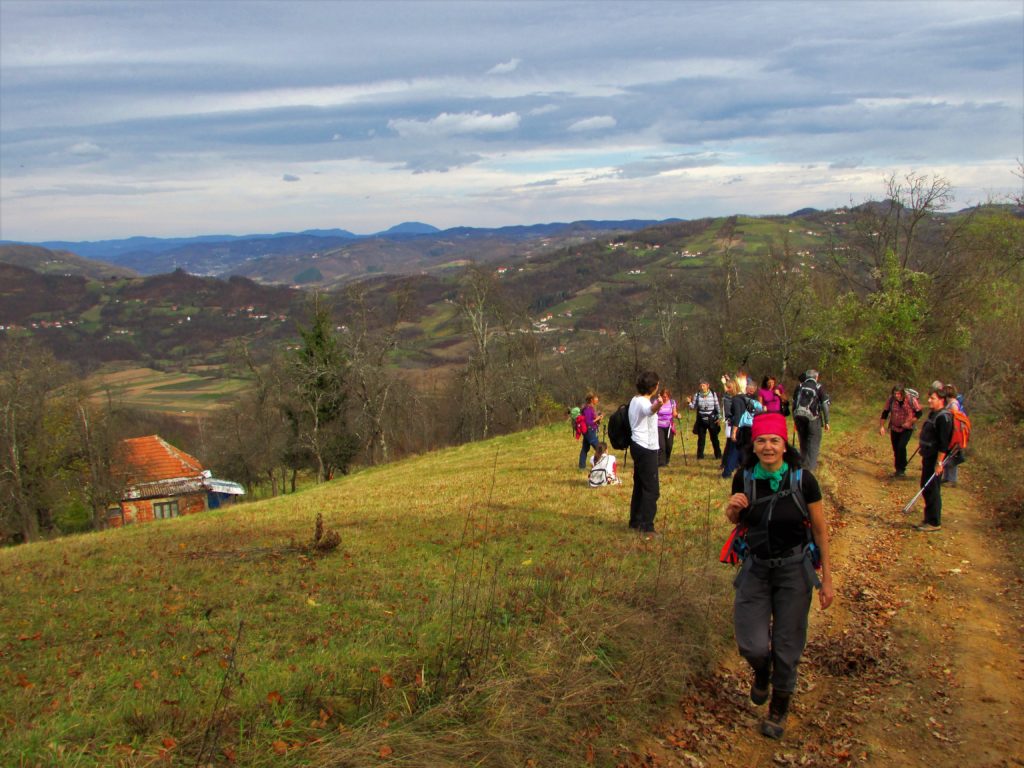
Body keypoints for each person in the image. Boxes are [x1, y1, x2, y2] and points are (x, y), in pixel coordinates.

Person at [724, 412, 834, 740]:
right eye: (761, 440)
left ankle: (779, 707)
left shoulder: (803, 480)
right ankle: (761, 671)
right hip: (756, 568)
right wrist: (732, 510)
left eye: (774, 440)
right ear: (753, 445)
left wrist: (827, 580)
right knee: (752, 644)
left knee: (788, 646)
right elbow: (737, 521)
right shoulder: (743, 478)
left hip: (794, 572)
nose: (768, 447)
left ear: (786, 445)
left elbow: (820, 530)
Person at [628, 371, 663, 535]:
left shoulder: (634, 400)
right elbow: (650, 410)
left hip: (637, 445)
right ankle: (646, 526)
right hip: (646, 448)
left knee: (640, 485)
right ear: (653, 387)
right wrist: (659, 404)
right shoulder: (643, 402)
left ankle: (635, 521)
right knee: (652, 489)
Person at [915, 385, 953, 532]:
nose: (929, 400)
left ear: (941, 400)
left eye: (933, 398)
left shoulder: (943, 418)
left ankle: (934, 522)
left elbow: (944, 443)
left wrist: (939, 463)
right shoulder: (934, 414)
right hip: (928, 456)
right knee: (926, 487)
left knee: (932, 489)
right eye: (929, 397)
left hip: (935, 459)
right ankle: (928, 518)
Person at [878, 384, 922, 477]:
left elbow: (919, 413)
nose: (897, 396)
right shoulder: (891, 400)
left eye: (898, 394)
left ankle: (902, 468)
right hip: (894, 427)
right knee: (896, 448)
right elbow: (885, 412)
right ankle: (898, 469)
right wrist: (881, 426)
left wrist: (910, 422)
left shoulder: (911, 399)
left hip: (907, 428)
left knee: (901, 446)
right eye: (895, 394)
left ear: (902, 393)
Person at [791, 369, 830, 471]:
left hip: (799, 418)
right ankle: (810, 471)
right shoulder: (818, 387)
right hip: (813, 419)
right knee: (813, 443)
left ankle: (802, 467)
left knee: (803, 443)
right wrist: (827, 422)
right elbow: (825, 405)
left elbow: (794, 403)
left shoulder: (799, 386)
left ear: (806, 377)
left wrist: (794, 419)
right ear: (816, 377)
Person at [689, 378, 722, 460]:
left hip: (712, 418)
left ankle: (718, 455)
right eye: (701, 386)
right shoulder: (697, 395)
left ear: (707, 386)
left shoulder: (713, 394)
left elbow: (717, 406)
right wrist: (689, 402)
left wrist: (719, 417)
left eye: (703, 385)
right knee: (701, 439)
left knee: (714, 438)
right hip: (701, 418)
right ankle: (700, 456)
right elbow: (693, 406)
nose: (702, 387)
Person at [942, 384, 963, 487]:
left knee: (952, 456)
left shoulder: (954, 404)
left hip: (954, 433)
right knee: (946, 455)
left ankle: (952, 480)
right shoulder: (949, 403)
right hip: (949, 432)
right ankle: (946, 477)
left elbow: (955, 419)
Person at [577, 393, 603, 471]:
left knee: (585, 449)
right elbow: (588, 422)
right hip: (589, 431)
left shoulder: (590, 408)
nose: (597, 400)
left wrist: (599, 419)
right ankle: (601, 465)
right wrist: (597, 418)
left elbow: (593, 421)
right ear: (591, 400)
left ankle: (582, 467)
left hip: (589, 431)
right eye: (596, 399)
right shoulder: (588, 409)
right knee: (599, 448)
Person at [656, 388, 679, 467]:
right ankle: (661, 463)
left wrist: (677, 415)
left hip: (669, 426)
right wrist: (659, 404)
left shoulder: (672, 402)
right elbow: (654, 412)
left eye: (666, 396)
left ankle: (667, 460)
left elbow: (674, 413)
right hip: (659, 426)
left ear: (669, 396)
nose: (664, 398)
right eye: (663, 396)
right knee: (661, 445)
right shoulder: (657, 402)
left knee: (669, 445)